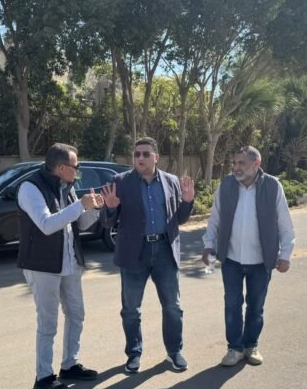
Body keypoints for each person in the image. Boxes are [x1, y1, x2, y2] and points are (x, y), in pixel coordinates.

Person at [99, 137, 195, 373]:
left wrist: (187, 201)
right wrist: (110, 207)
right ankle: (134, 353)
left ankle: (174, 352)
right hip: (134, 252)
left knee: (172, 306)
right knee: (131, 309)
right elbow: (107, 222)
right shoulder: (120, 182)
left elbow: (180, 219)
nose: (140, 158)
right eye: (137, 154)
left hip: (164, 250)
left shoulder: (171, 181)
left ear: (156, 157)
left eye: (145, 154)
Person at [17, 143, 104, 389]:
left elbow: (80, 224)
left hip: (69, 261)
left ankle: (70, 364)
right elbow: (46, 224)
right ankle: (44, 376)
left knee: (76, 314)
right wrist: (80, 205)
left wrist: (96, 208)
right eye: (76, 167)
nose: (78, 171)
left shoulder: (67, 187)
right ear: (62, 167)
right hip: (42, 265)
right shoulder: (30, 188)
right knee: (48, 323)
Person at [202, 146, 295, 367]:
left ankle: (251, 345)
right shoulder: (226, 185)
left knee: (256, 307)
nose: (236, 167)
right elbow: (215, 218)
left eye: (242, 163)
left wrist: (285, 255)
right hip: (231, 260)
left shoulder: (272, 186)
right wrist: (208, 246)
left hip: (261, 262)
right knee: (232, 305)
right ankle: (234, 349)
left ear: (256, 164)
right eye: (235, 163)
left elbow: (285, 223)